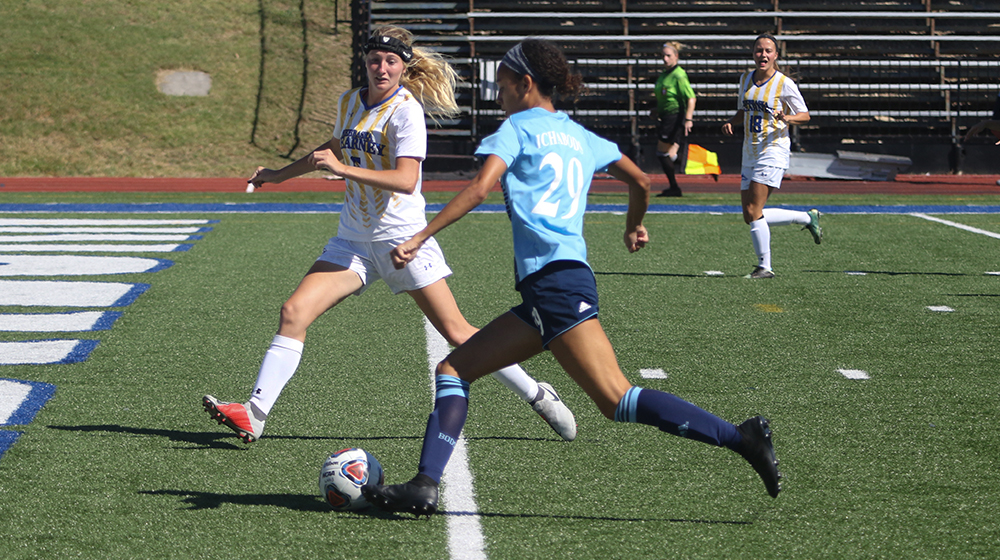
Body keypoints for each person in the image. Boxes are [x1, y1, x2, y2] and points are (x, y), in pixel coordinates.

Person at [361, 39, 782, 517]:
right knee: (454, 369)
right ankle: (425, 483)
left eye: (502, 86)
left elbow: (479, 189)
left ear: (525, 85)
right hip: (556, 287)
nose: (498, 96)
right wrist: (632, 224)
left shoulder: (515, 129)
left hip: (555, 287)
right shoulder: (580, 136)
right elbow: (641, 181)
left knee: (617, 398)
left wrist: (420, 237)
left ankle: (741, 438)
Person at [202, 26, 577, 445]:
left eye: (391, 61)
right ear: (365, 62)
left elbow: (405, 178)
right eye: (375, 60)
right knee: (293, 312)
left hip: (403, 240)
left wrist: (342, 171)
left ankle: (537, 393)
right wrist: (278, 175)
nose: (382, 67)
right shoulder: (349, 101)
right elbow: (332, 149)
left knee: (456, 332)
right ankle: (255, 413)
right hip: (352, 242)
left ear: (403, 67)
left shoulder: (405, 110)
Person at [721, 33, 821, 279]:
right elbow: (744, 110)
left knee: (755, 209)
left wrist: (788, 117)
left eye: (768, 51)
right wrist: (731, 122)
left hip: (773, 150)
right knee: (750, 213)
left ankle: (765, 267)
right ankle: (806, 217)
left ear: (776, 55)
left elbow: (805, 114)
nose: (762, 55)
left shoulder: (783, 83)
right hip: (750, 150)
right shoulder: (745, 79)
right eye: (758, 50)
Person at [651, 41, 696, 198]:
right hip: (665, 116)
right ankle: (693, 163)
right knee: (669, 155)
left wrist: (688, 119)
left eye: (668, 56)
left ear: (676, 56)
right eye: (663, 56)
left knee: (661, 153)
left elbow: (691, 98)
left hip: (674, 116)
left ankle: (674, 187)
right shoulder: (665, 74)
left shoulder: (679, 74)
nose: (665, 59)